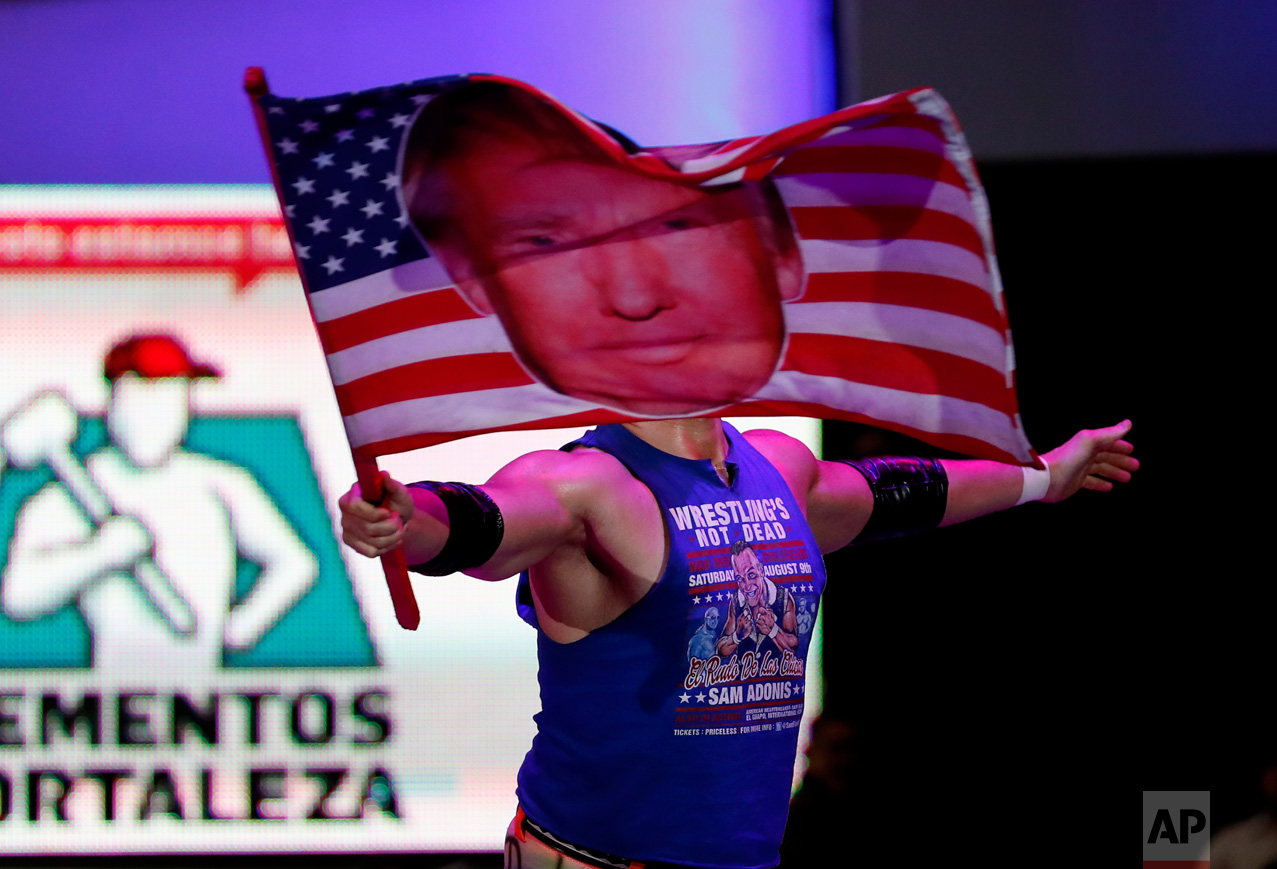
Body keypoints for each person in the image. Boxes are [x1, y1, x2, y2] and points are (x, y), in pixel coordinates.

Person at [339, 411, 1137, 868]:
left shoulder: (778, 468)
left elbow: (902, 493)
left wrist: (1042, 478)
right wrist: (406, 518)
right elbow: (483, 521)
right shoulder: (583, 482)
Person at [399, 82, 805, 417]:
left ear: (782, 248)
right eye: (546, 243)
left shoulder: (803, 471)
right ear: (468, 278)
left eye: (676, 225)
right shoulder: (550, 483)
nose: (636, 300)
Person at [2, 335, 318, 673]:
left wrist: (243, 628)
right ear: (113, 402)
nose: (156, 414)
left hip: (210, 692)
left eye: (171, 399)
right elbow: (17, 597)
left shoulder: (223, 484)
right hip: (108, 698)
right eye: (142, 398)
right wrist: (99, 554)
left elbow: (296, 562)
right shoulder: (62, 499)